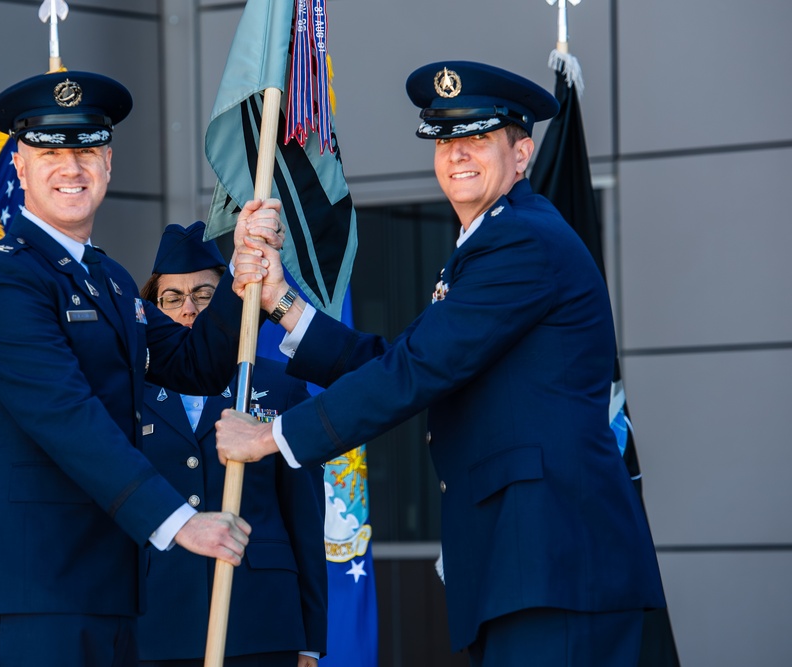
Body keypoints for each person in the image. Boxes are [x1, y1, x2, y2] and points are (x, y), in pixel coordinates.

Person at [216, 61, 667, 666]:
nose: (458, 155)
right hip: (528, 566)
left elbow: (414, 372)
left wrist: (272, 437)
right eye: (446, 140)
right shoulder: (487, 244)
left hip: (554, 562)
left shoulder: (521, 241)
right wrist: (283, 304)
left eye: (478, 139)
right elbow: (407, 362)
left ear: (523, 153)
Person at [0, 70, 282, 667]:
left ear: (108, 163)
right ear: (19, 168)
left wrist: (239, 275)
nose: (71, 167)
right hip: (35, 599)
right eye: (49, 151)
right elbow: (66, 417)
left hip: (112, 596)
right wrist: (178, 521)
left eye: (86, 149)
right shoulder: (6, 279)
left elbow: (194, 364)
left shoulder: (107, 279)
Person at [134, 221, 326, 667]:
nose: (188, 309)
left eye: (203, 295)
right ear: (152, 307)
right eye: (172, 298)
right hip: (158, 623)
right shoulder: (130, 394)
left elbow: (305, 513)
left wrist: (310, 638)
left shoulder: (278, 387)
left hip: (260, 620)